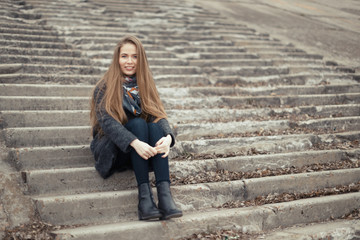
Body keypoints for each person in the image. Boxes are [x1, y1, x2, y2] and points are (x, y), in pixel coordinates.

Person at [89, 35, 182, 221]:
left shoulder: (144, 84)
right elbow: (109, 124)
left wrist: (169, 138)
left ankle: (165, 198)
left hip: (141, 152)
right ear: (117, 58)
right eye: (124, 56)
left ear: (141, 59)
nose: (129, 61)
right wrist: (134, 142)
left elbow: (158, 114)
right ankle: (145, 200)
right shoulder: (104, 87)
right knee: (139, 123)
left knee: (155, 127)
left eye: (135, 56)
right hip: (115, 150)